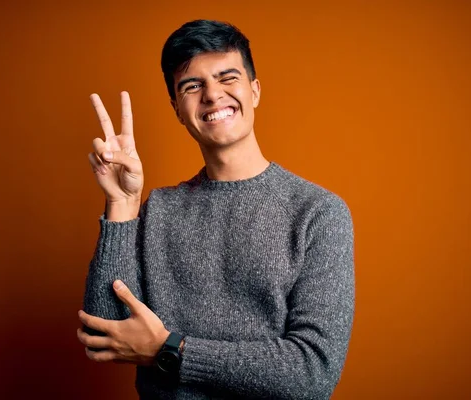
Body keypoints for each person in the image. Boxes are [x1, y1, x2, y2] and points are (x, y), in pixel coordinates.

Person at [76, 19, 355, 399]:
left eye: (228, 78)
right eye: (192, 85)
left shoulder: (318, 213)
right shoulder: (157, 208)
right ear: (177, 108)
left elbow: (312, 373)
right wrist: (122, 205)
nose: (212, 95)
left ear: (254, 91)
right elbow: (105, 331)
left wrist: (169, 350)